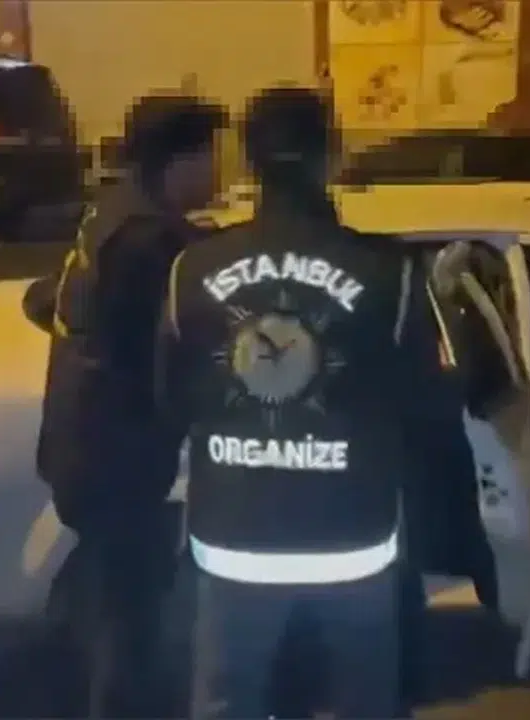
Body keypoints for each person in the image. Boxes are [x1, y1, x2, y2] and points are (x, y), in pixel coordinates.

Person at [152, 86, 468, 719]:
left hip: (233, 542)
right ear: (333, 157)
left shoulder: (193, 268)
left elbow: (168, 400)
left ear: (248, 162)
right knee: (364, 707)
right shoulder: (391, 272)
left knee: (226, 706)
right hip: (352, 545)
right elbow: (428, 406)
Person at [35, 92, 226, 718]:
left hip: (82, 445)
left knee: (107, 603)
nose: (220, 169)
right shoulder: (150, 242)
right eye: (213, 154)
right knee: (130, 622)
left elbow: (52, 299)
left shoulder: (113, 211)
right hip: (117, 459)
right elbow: (173, 349)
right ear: (181, 160)